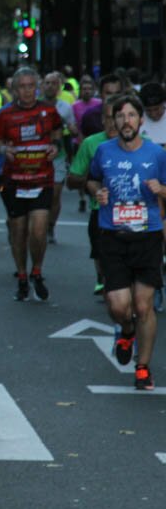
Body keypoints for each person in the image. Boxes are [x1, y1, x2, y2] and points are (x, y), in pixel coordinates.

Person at [87, 96, 166, 390]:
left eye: (132, 115)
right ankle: (126, 329)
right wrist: (98, 192)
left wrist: (162, 189)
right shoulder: (104, 151)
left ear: (141, 121)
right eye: (120, 117)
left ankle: (143, 367)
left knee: (144, 306)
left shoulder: (156, 154)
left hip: (147, 237)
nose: (126, 121)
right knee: (119, 305)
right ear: (114, 122)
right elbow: (92, 180)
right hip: (113, 236)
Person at [0, 68, 63, 302]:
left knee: (39, 229)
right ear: (15, 89)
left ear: (37, 87)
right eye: (22, 86)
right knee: (18, 231)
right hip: (14, 180)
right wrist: (2, 149)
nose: (27, 90)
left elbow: (58, 132)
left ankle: (36, 271)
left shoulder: (48, 111)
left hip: (41, 178)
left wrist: (55, 146)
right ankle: (22, 275)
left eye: (31, 86)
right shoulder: (5, 114)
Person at [67, 99, 117, 297]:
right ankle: (104, 280)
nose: (114, 122)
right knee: (107, 269)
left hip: (135, 216)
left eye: (119, 117)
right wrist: (91, 178)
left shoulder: (145, 144)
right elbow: (71, 181)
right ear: (102, 120)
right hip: (101, 211)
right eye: (109, 117)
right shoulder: (92, 144)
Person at [40, 72, 78, 244]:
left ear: (59, 86)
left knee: (55, 194)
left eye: (54, 83)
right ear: (42, 86)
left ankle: (50, 226)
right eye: (47, 83)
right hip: (37, 154)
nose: (50, 86)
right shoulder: (35, 106)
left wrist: (70, 127)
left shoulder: (65, 107)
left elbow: (73, 131)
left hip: (59, 153)